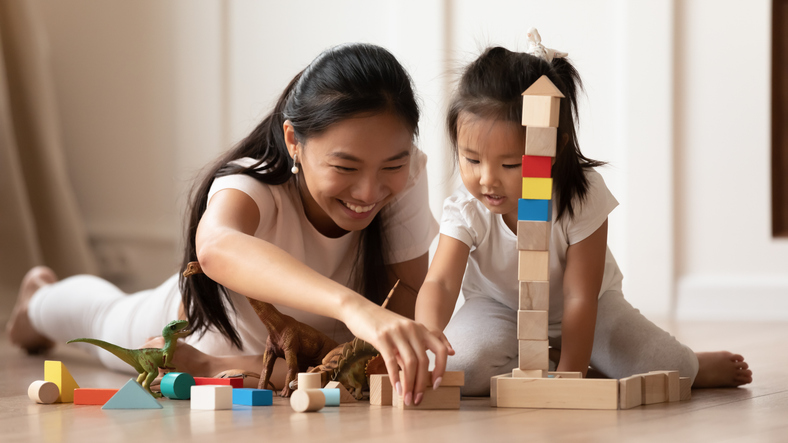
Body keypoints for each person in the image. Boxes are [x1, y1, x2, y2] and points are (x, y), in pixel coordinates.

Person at [7, 43, 452, 406]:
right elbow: (217, 247)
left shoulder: (407, 174)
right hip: (196, 329)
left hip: (304, 352)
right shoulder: (251, 182)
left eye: (390, 165)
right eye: (345, 167)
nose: (370, 192)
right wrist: (355, 308)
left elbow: (408, 290)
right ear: (293, 140)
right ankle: (36, 301)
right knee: (102, 317)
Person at [414, 37, 753, 395]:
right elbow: (441, 283)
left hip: (590, 307)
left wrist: (569, 377)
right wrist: (428, 337)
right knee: (459, 369)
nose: (487, 179)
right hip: (498, 309)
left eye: (510, 164)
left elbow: (580, 296)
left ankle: (692, 364)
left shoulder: (582, 195)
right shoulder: (467, 209)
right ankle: (546, 361)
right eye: (471, 159)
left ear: (553, 148)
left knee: (670, 367)